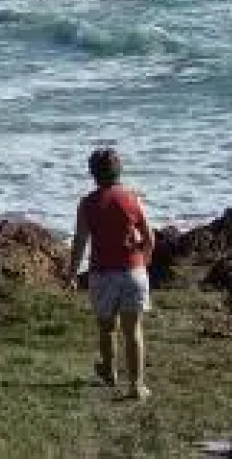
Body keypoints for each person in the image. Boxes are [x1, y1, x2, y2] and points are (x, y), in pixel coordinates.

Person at [65, 147, 155, 401]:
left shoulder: (88, 203)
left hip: (102, 274)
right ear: (119, 171)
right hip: (133, 272)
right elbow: (149, 237)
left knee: (107, 329)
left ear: (93, 174)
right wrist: (143, 260)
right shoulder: (132, 198)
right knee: (133, 331)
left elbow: (80, 241)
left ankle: (108, 371)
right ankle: (136, 386)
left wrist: (72, 273)